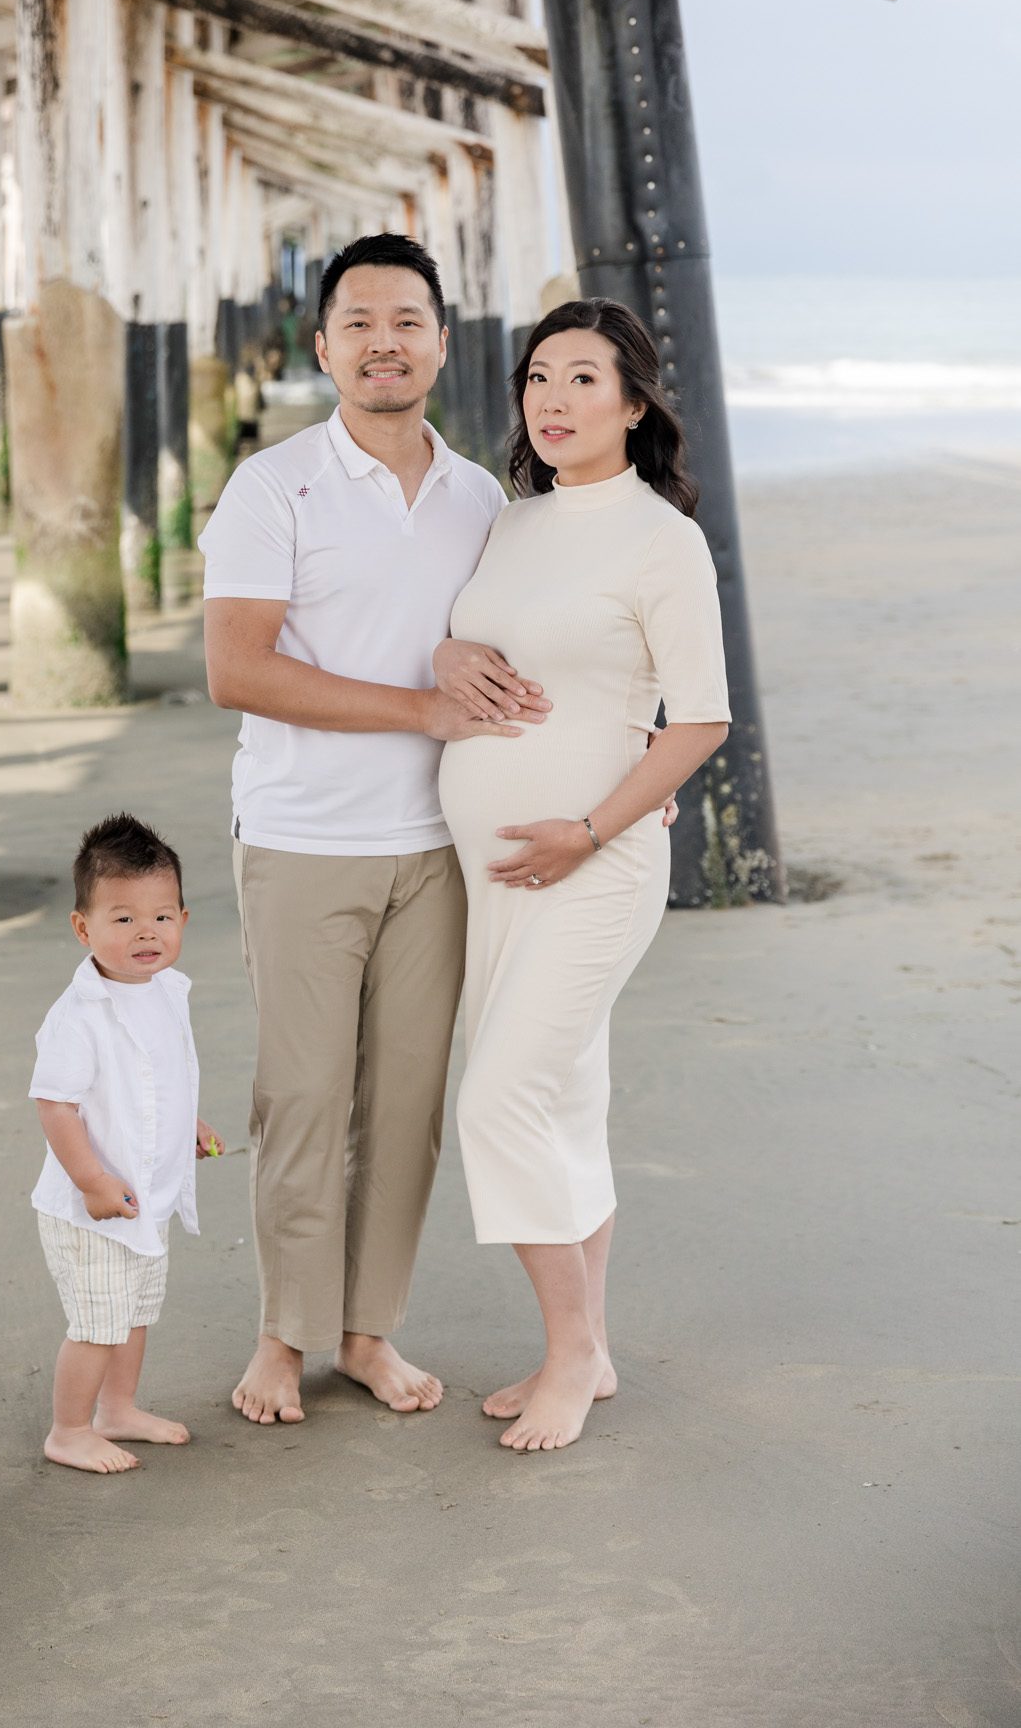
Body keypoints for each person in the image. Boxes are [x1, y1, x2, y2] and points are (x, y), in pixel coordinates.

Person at [198, 234, 540, 1427]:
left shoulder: (482, 497)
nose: (383, 340)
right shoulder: (272, 485)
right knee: (300, 1097)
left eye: (408, 319)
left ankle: (367, 1330)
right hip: (300, 837)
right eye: (358, 321)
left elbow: (515, 652)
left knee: (405, 1104)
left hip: (440, 841)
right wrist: (420, 703)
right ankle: (282, 1336)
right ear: (325, 343)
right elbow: (236, 668)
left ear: (445, 341)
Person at [436, 298, 731, 1453]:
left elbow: (698, 717)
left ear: (635, 401)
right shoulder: (513, 522)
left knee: (498, 1098)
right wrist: (447, 650)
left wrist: (591, 827)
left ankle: (566, 1353)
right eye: (538, 378)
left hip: (593, 868)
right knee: (559, 1101)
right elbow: (476, 639)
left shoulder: (662, 538)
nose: (553, 401)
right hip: (494, 872)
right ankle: (591, 1346)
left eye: (584, 381)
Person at [29, 813, 222, 1474]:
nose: (146, 932)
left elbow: (164, 1074)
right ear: (83, 928)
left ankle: (118, 1409)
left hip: (143, 1197)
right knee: (96, 1323)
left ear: (183, 922)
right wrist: (89, 1179)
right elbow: (54, 1103)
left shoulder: (165, 991)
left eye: (161, 918)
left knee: (135, 1313)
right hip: (93, 1206)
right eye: (123, 919)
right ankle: (69, 1427)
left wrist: (186, 1125)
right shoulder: (78, 1017)